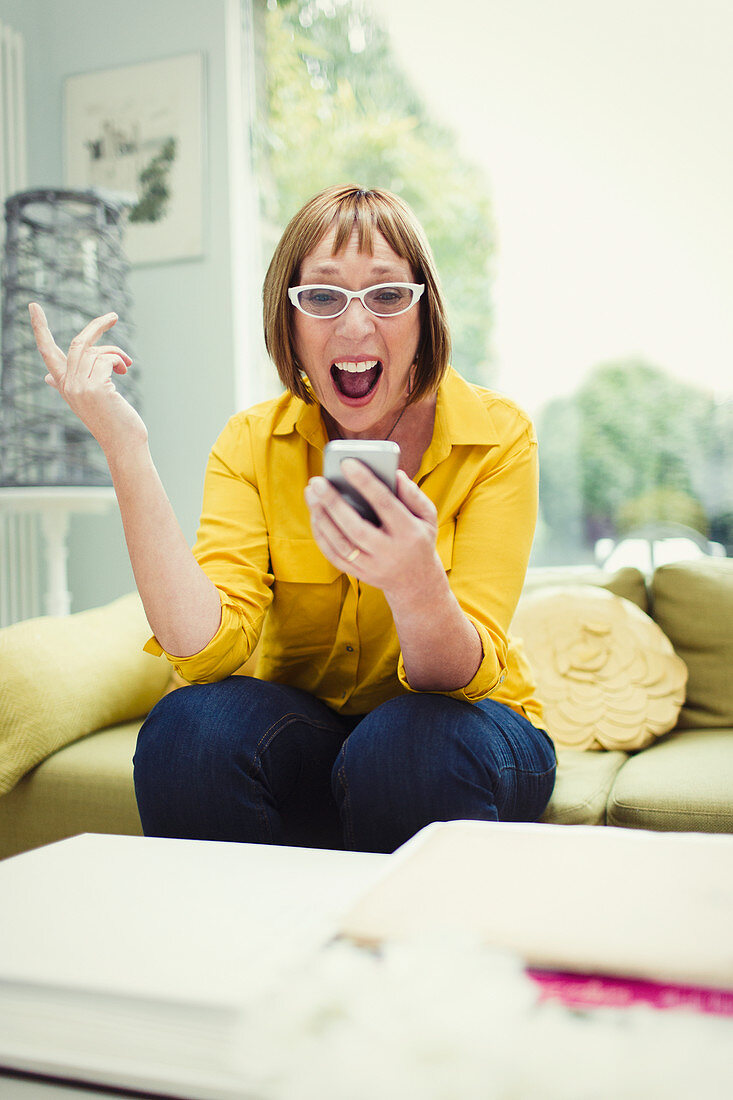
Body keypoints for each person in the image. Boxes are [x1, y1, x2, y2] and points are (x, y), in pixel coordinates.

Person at [29, 184, 556, 854]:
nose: (356, 327)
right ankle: (240, 954)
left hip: (471, 725)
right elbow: (204, 650)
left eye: (389, 296)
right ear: (291, 323)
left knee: (400, 748)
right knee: (188, 727)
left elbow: (453, 678)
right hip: (313, 729)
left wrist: (413, 581)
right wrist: (124, 448)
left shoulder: (498, 436)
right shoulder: (251, 443)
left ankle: (407, 955)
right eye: (324, 296)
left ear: (426, 318)